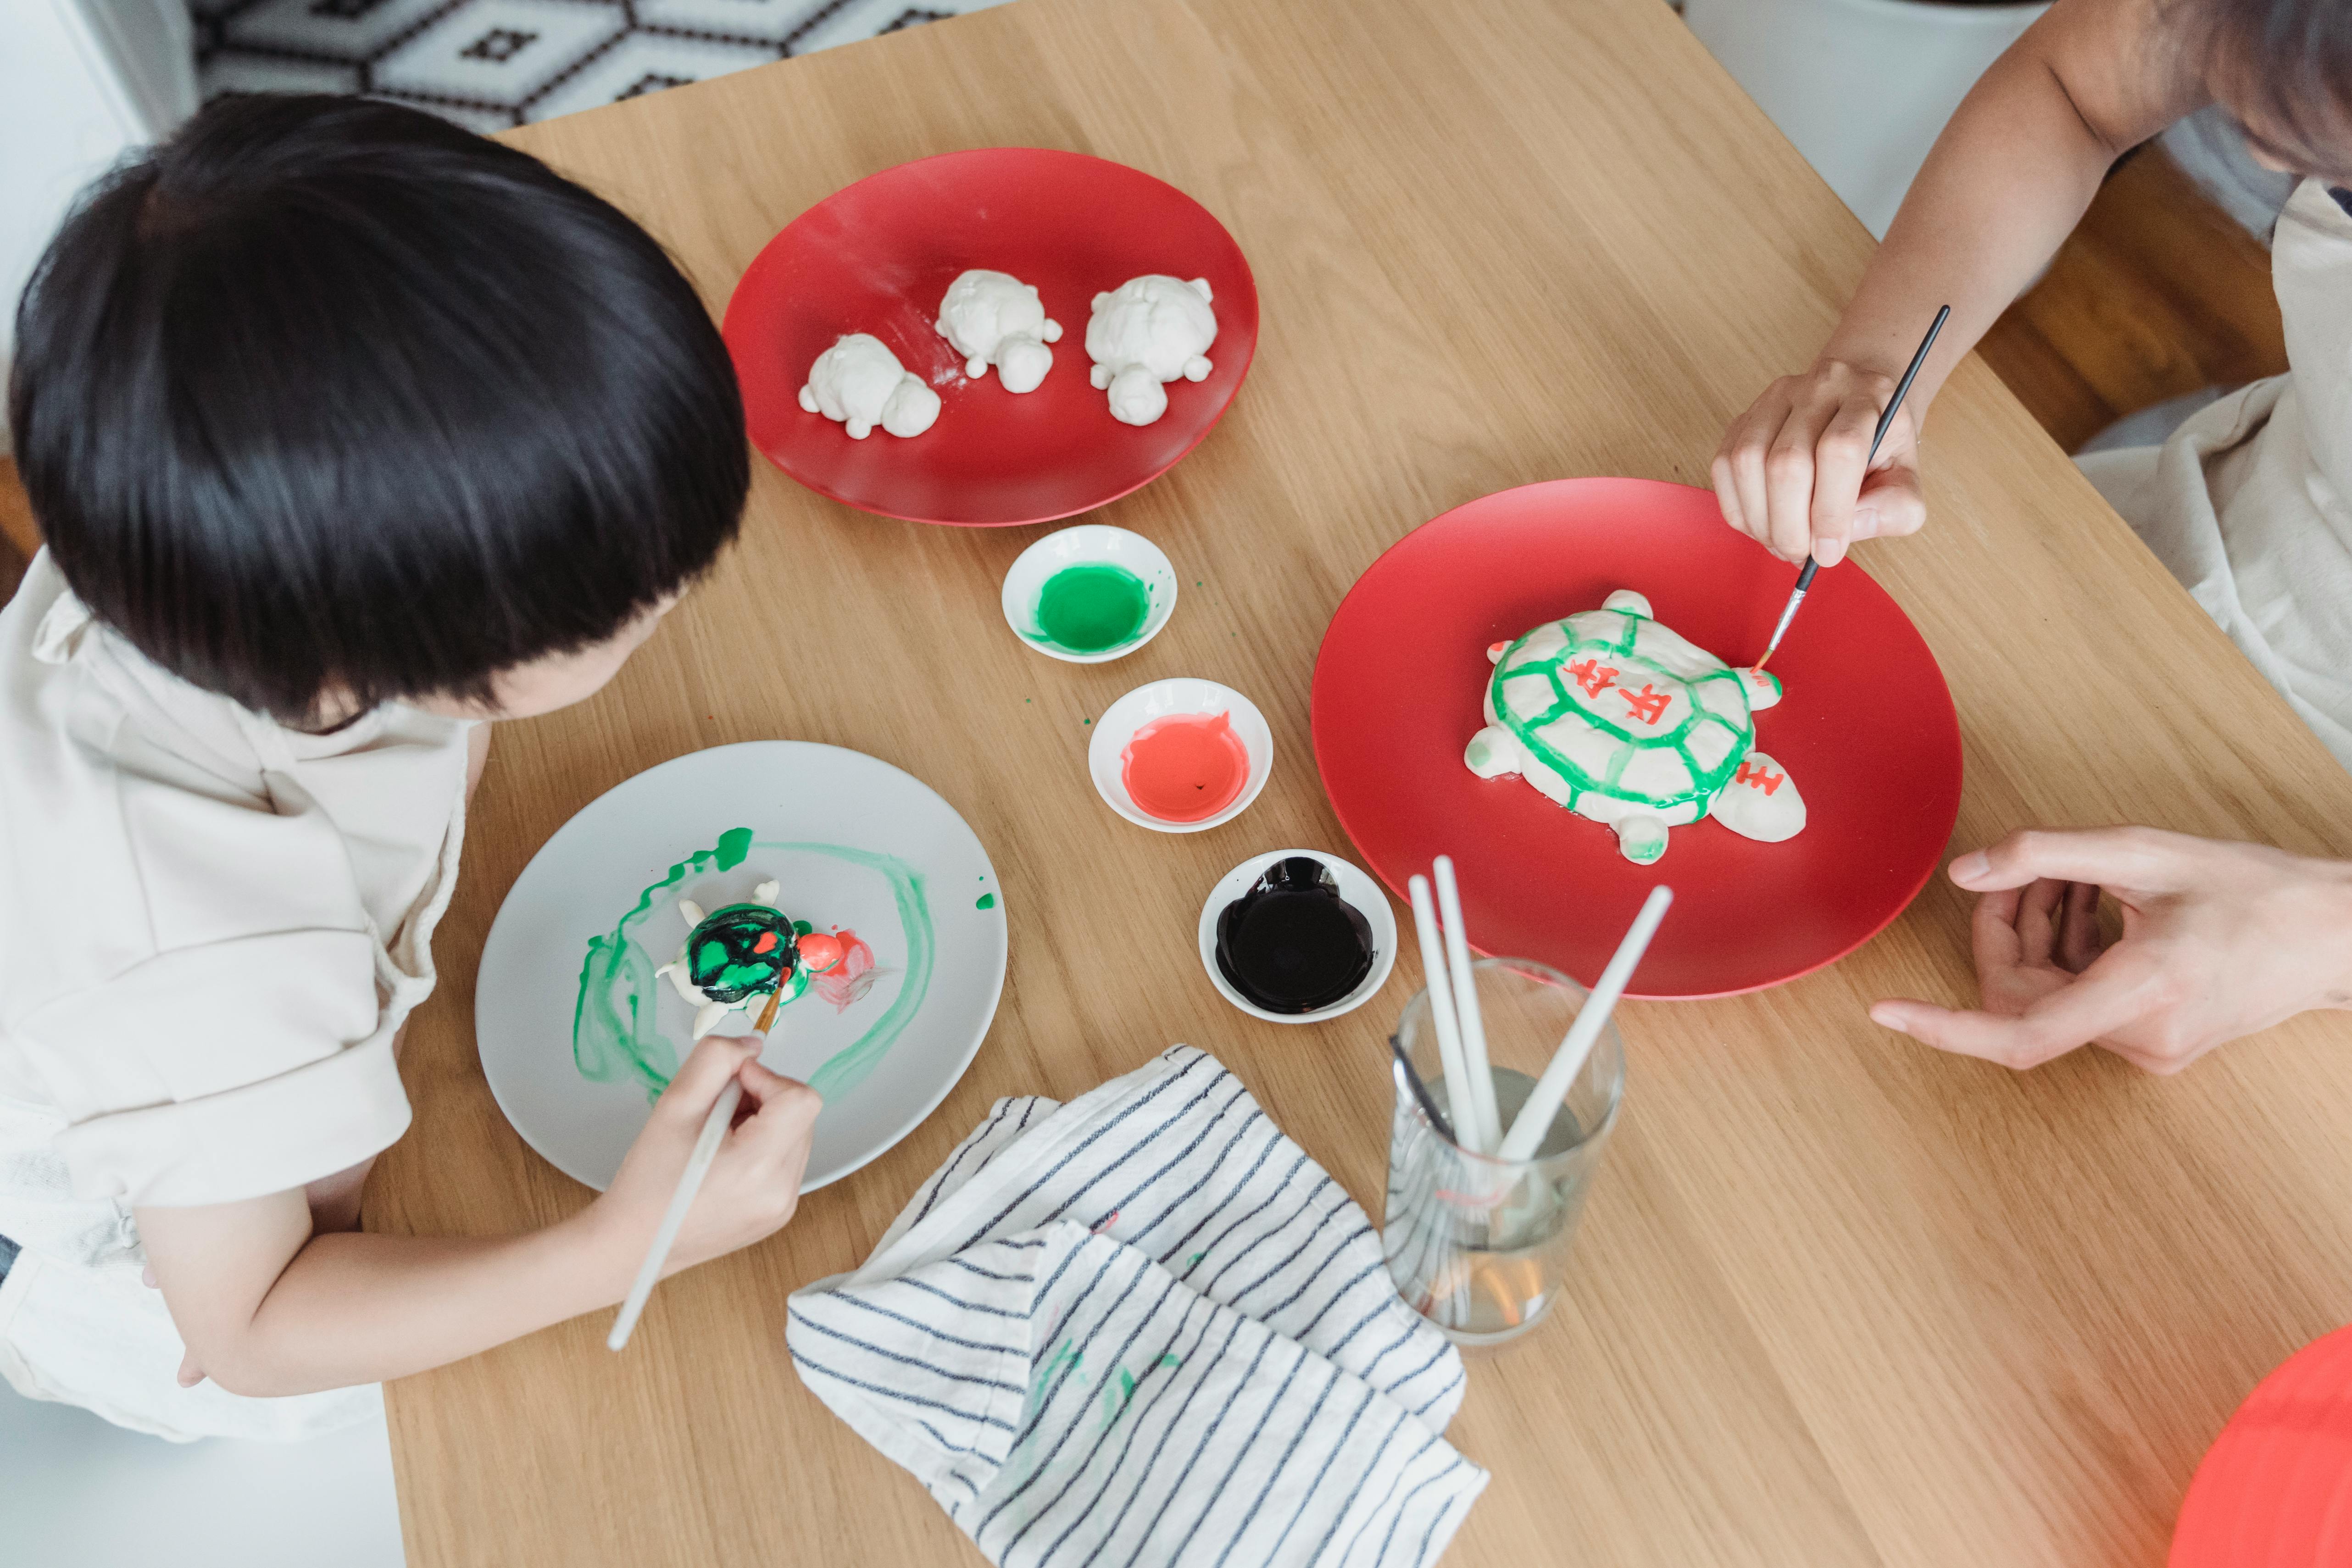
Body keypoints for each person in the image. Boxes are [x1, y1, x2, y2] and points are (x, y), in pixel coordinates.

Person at [0, 95, 821, 1440]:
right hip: (167, 1260)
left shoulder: (210, 550)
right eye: (633, 597)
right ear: (383, 638)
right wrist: (627, 1246)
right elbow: (255, 1327)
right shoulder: (180, 941)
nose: (678, 588)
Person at [1711, 0, 2352, 1074]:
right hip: (2154, 558)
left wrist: (2319, 931)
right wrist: (1876, 370)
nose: (2247, 150)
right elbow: (2075, 86)